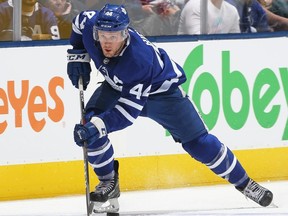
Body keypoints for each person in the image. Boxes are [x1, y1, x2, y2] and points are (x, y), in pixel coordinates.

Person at [66, 3, 273, 213]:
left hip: (162, 94)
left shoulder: (139, 60)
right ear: (96, 31)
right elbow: (77, 24)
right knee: (89, 124)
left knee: (199, 144)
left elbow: (126, 114)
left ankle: (246, 184)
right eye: (103, 35)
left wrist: (99, 127)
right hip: (118, 87)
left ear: (125, 33)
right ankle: (108, 183)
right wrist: (77, 53)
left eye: (114, 36)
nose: (107, 42)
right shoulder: (89, 23)